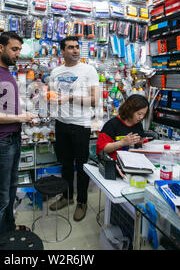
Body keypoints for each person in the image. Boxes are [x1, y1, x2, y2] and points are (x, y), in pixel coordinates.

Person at [0, 31, 35, 244]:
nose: (17, 54)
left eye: (19, 49)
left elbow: (5, 109)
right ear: (1, 48)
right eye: (14, 49)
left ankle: (9, 234)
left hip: (13, 138)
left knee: (11, 192)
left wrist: (22, 119)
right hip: (0, 142)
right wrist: (20, 117)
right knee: (0, 198)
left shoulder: (8, 74)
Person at [48, 36, 100, 222]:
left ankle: (82, 201)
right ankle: (67, 197)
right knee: (66, 164)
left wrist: (70, 98)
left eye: (77, 47)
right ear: (62, 51)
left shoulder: (89, 70)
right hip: (61, 123)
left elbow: (95, 100)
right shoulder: (55, 71)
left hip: (80, 124)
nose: (75, 50)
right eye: (70, 47)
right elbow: (52, 94)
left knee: (82, 165)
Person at [96, 94, 149, 177]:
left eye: (144, 114)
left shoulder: (138, 124)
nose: (141, 117)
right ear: (129, 110)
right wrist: (122, 143)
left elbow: (138, 144)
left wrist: (139, 142)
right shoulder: (112, 124)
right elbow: (101, 150)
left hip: (133, 166)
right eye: (139, 114)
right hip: (114, 168)